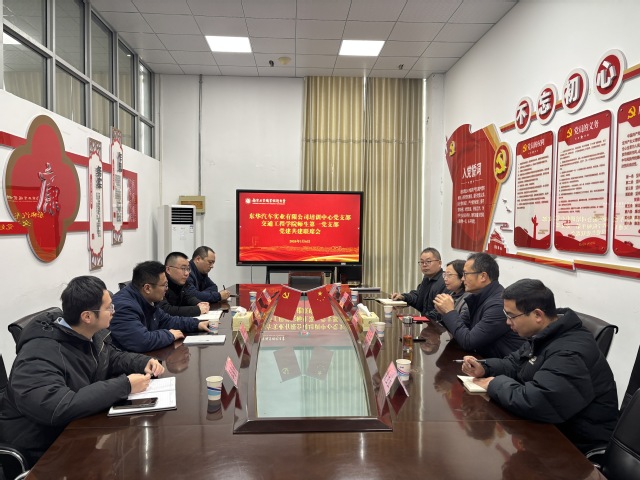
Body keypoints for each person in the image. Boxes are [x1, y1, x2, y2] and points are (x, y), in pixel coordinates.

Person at [0, 276, 164, 466]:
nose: (114, 311)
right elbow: (58, 407)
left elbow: (110, 357)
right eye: (109, 307)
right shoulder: (37, 356)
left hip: (77, 429)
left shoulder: (87, 333)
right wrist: (125, 386)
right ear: (87, 317)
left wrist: (142, 362)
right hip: (43, 449)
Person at [460, 278, 618, 454]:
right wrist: (485, 367)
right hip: (549, 430)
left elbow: (537, 402)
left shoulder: (570, 352)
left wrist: (493, 383)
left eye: (511, 316)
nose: (507, 322)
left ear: (537, 315)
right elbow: (514, 363)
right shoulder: (544, 335)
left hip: (576, 447)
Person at [433, 252, 524, 358]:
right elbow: (459, 331)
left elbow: (468, 342)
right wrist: (444, 312)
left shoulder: (498, 305)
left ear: (483, 276)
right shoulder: (478, 297)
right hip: (481, 360)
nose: (462, 279)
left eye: (465, 274)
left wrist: (449, 312)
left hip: (502, 364)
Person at [110, 261, 210, 352]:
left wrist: (196, 324)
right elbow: (141, 341)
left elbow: (167, 320)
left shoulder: (147, 299)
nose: (166, 289)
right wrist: (169, 335)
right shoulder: (123, 306)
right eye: (164, 285)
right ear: (147, 288)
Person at [391, 247, 446, 320]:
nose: (424, 265)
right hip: (424, 321)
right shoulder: (427, 278)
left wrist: (418, 318)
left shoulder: (445, 281)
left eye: (428, 261)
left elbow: (440, 311)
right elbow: (418, 296)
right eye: (422, 262)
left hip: (434, 324)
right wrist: (403, 297)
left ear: (439, 263)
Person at [159, 251, 210, 317]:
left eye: (188, 269)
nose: (187, 273)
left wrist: (199, 303)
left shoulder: (181, 281)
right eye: (183, 268)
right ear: (168, 270)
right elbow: (166, 309)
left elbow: (188, 297)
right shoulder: (160, 283)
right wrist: (197, 310)